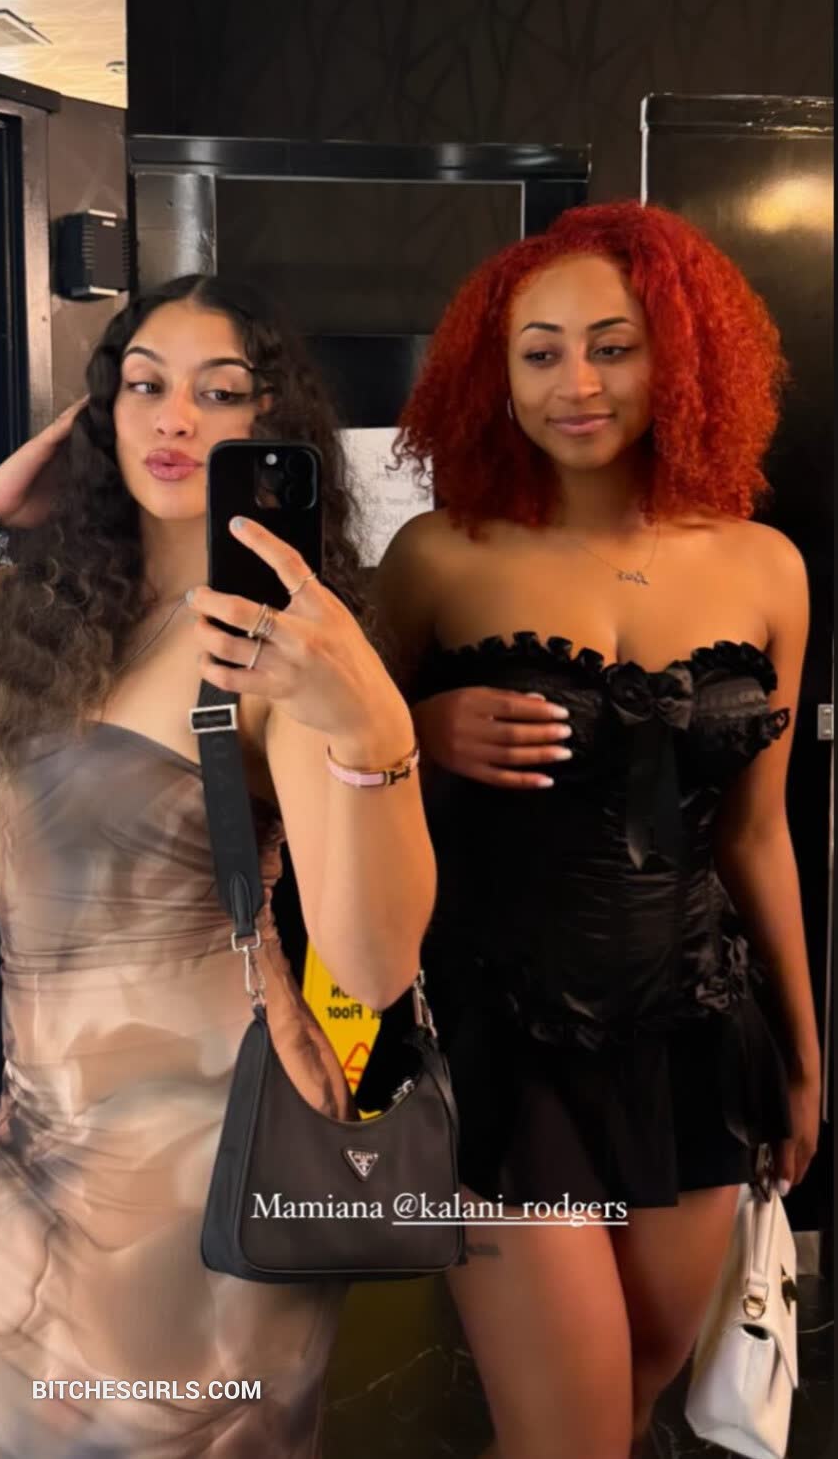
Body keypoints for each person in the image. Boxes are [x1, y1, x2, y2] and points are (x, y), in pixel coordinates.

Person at [0, 276, 436, 1458]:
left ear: (270, 425)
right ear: (99, 416)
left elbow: (374, 968)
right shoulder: (44, 612)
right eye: (144, 385)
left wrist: (370, 724)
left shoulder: (275, 642)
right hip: (34, 1146)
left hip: (209, 1162)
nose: (174, 416)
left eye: (221, 392)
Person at [360, 201, 820, 1459]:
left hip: (697, 1036)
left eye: (614, 347)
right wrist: (419, 732)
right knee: (569, 1434)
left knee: (627, 1408)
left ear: (681, 359)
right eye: (542, 352)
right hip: (503, 1041)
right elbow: (324, 791)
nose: (578, 383)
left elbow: (758, 836)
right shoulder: (437, 558)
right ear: (492, 375)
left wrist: (803, 1049)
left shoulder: (768, 567)